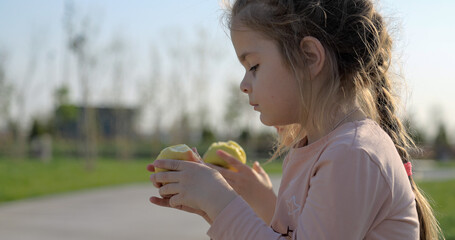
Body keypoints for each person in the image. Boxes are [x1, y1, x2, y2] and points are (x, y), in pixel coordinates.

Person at [147, 0, 443, 239]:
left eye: (254, 66)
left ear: (310, 57)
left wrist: (219, 202)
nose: (244, 84)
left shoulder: (353, 155)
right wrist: (260, 203)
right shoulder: (320, 149)